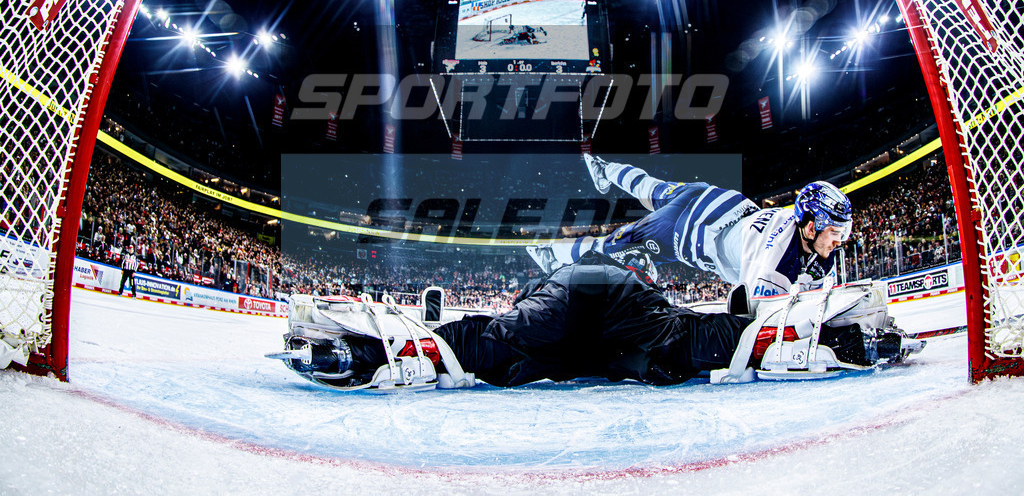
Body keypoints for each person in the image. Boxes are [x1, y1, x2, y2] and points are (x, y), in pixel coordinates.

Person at [272, 250, 913, 390]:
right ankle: (829, 330)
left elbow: (500, 331)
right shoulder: (629, 279)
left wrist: (444, 328)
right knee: (704, 339)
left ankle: (364, 347)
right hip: (624, 323)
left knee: (474, 343)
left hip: (565, 318)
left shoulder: (545, 289)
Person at [525, 155, 853, 315]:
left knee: (649, 187)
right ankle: (550, 252)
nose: (841, 240)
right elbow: (756, 315)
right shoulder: (777, 255)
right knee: (611, 245)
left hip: (714, 198)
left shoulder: (804, 236)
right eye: (836, 232)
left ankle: (604, 168)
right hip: (684, 229)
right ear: (811, 226)